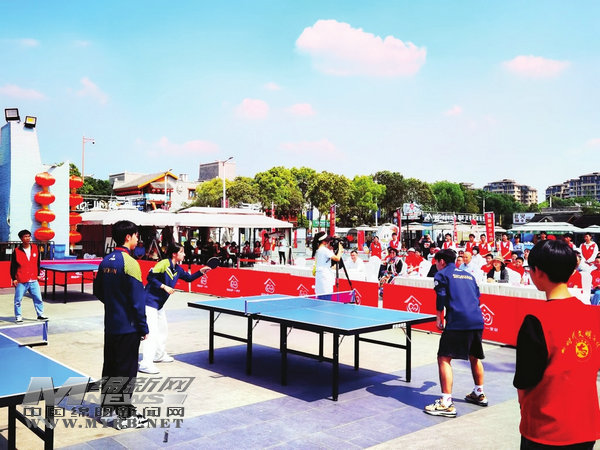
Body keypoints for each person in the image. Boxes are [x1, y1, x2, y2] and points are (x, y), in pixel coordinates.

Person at [513, 239, 600, 448]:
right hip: (586, 425)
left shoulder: (536, 320)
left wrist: (525, 408)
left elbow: (525, 379)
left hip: (546, 428)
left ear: (537, 272)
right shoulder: (594, 315)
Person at [93, 220, 148, 428]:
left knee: (110, 368)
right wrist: (143, 327)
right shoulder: (131, 263)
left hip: (111, 326)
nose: (137, 239)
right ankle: (123, 416)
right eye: (136, 236)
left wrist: (114, 304)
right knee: (126, 372)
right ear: (128, 237)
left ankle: (107, 412)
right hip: (128, 327)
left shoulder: (105, 261)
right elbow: (137, 301)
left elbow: (98, 291)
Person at [424, 249, 487, 418]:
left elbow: (441, 297)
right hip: (477, 320)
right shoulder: (469, 276)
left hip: (458, 321)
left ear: (442, 261)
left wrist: (439, 317)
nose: (436, 265)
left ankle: (446, 403)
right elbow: (477, 297)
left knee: (444, 358)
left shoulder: (442, 274)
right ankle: (479, 393)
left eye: (436, 262)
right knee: (474, 357)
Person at [139, 242, 211, 374]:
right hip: (149, 302)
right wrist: (164, 287)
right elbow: (150, 277)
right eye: (181, 252)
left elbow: (189, 278)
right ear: (174, 254)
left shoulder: (178, 269)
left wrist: (201, 271)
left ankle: (159, 355)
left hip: (159, 304)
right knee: (152, 333)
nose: (184, 254)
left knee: (163, 329)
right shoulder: (163, 263)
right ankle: (145, 364)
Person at [10, 229, 47, 323]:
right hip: (21, 279)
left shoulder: (35, 248)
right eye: (25, 236)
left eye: (29, 236)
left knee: (38, 298)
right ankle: (18, 316)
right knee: (18, 300)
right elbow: (13, 266)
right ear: (21, 238)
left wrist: (38, 274)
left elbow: (38, 263)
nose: (27, 238)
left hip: (33, 279)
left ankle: (40, 315)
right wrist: (14, 278)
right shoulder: (16, 251)